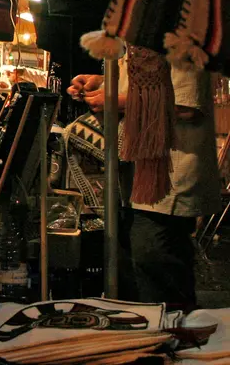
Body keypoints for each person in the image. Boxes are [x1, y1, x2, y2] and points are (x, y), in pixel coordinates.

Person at [68, 60, 221, 311]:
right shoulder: (144, 34)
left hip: (168, 177)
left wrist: (114, 101)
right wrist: (103, 83)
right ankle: (154, 339)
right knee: (138, 275)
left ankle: (170, 341)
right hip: (141, 176)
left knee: (157, 278)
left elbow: (186, 106)